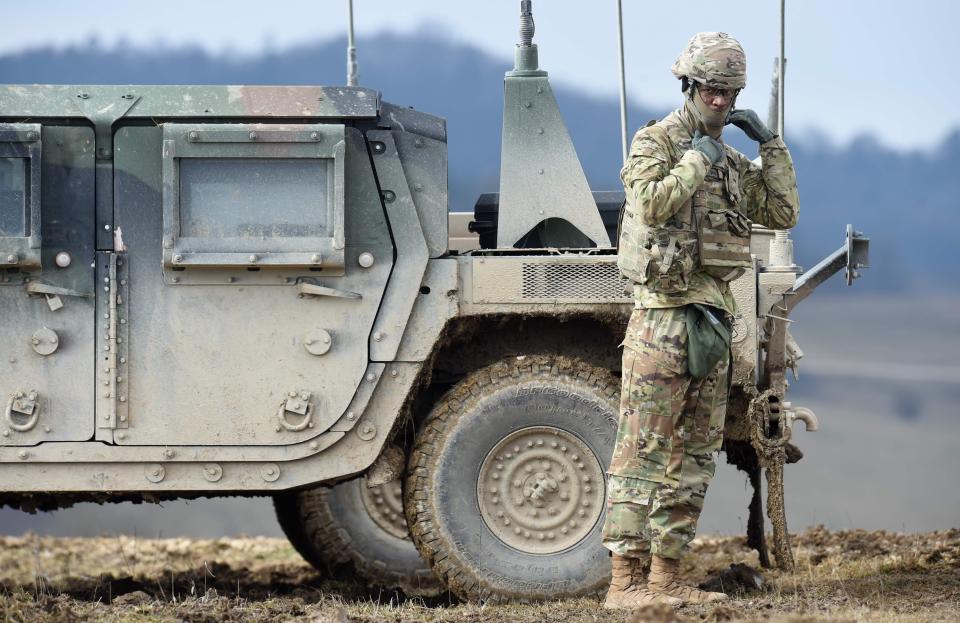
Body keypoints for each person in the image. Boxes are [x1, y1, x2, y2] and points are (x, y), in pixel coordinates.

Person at [602, 32, 799, 609]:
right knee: (643, 452)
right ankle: (624, 584)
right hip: (662, 322)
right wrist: (695, 160)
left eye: (730, 92)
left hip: (712, 321)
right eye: (712, 88)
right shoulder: (655, 142)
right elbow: (650, 204)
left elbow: (782, 211)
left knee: (694, 455)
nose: (719, 101)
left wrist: (772, 147)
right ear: (689, 84)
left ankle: (665, 577)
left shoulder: (733, 162)